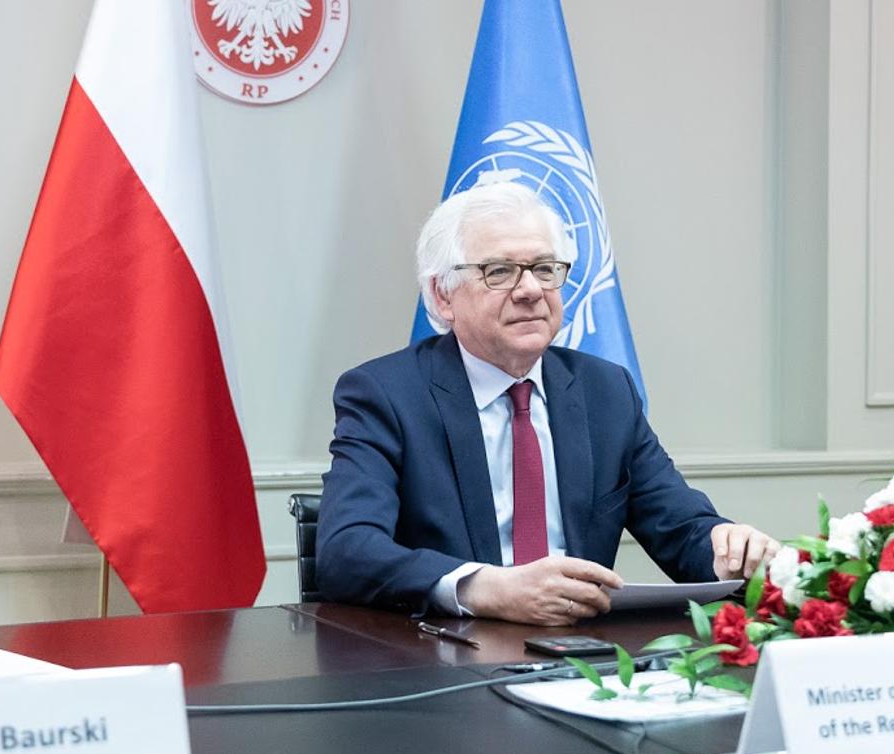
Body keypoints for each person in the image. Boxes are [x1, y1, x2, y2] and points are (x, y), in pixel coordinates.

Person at [316, 182, 779, 625]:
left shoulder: (605, 390)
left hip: (583, 656)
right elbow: (347, 550)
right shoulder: (386, 394)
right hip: (446, 656)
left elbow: (681, 530)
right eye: (499, 272)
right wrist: (484, 588)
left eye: (544, 268)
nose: (531, 290)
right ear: (442, 295)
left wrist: (727, 548)